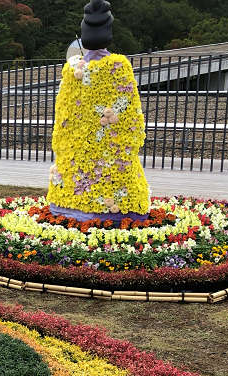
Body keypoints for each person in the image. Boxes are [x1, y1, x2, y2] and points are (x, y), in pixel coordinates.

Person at [46, 0, 149, 221]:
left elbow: (63, 116)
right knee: (114, 171)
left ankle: (73, 205)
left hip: (78, 148)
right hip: (109, 147)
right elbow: (131, 112)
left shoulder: (72, 69)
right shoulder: (119, 66)